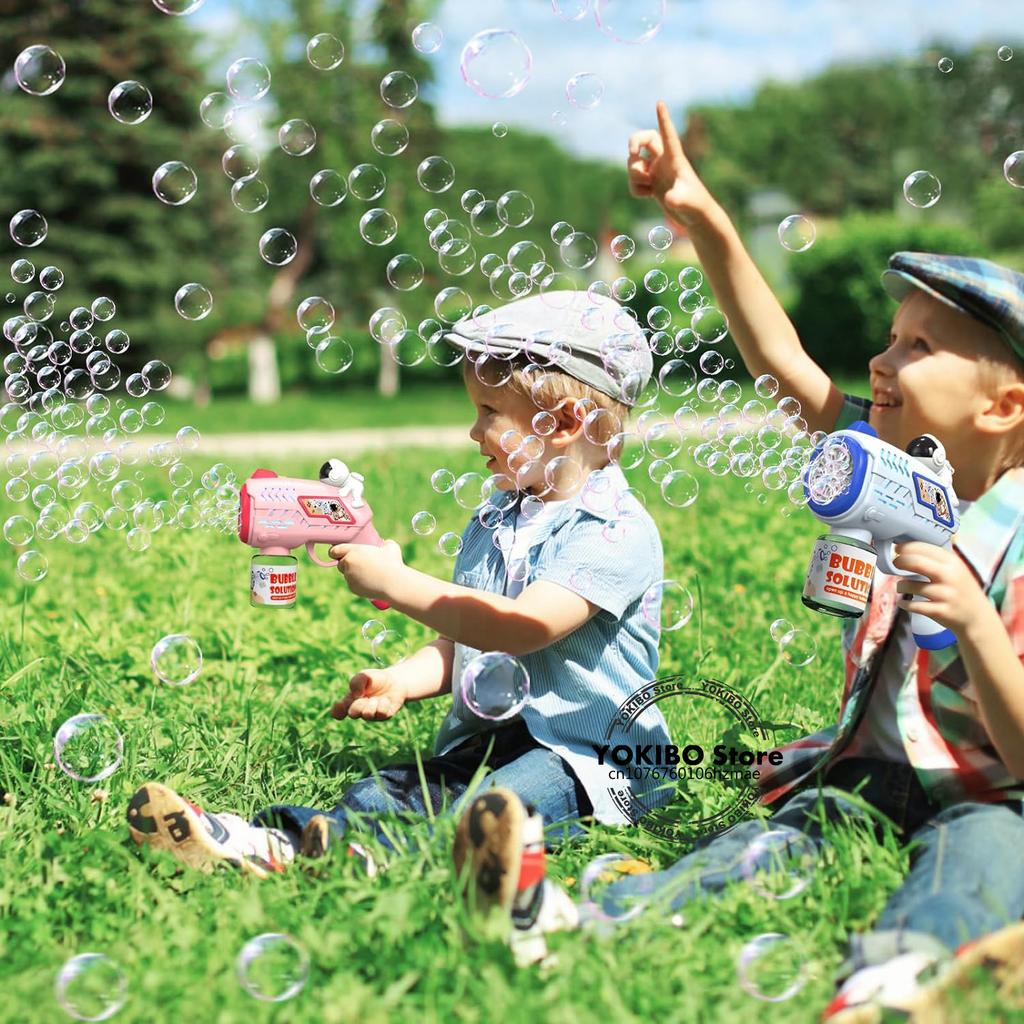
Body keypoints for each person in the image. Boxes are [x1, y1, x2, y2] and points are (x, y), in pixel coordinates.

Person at [456, 102, 1024, 1017]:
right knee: (772, 845)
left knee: (984, 857)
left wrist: (974, 623)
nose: (882, 358)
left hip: (995, 796)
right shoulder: (884, 474)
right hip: (865, 773)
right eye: (889, 335)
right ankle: (575, 918)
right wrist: (699, 212)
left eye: (918, 346)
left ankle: (901, 980)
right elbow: (779, 361)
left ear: (1002, 408)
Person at [127, 291, 672, 964]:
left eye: (488, 412)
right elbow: (464, 640)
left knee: (501, 804)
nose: (474, 433)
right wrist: (404, 680)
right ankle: (263, 843)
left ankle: (389, 860)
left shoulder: (614, 531)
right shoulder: (499, 517)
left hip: (593, 759)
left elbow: (525, 627)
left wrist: (400, 584)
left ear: (562, 424)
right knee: (390, 786)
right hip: (500, 733)